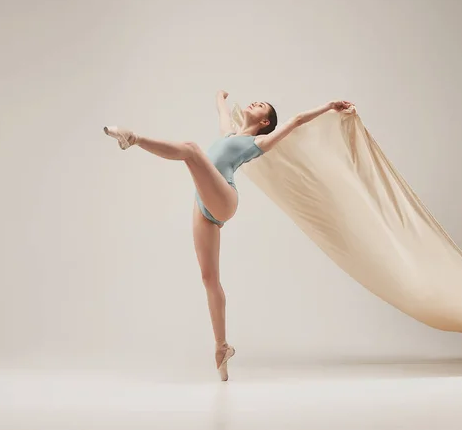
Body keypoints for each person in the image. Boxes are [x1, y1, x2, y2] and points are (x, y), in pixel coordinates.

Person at [104, 92, 353, 380]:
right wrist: (220, 97)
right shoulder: (228, 134)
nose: (253, 103)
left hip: (224, 198)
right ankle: (222, 348)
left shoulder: (258, 142)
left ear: (264, 121)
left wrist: (329, 106)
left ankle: (132, 138)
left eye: (260, 106)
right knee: (209, 279)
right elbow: (221, 112)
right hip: (203, 205)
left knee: (190, 150)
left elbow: (296, 121)